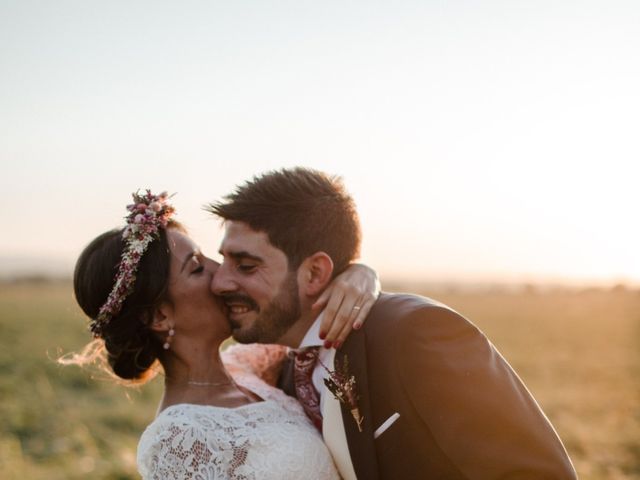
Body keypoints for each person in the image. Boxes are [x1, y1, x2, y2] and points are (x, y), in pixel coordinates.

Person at [209, 167, 578, 480]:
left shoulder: (416, 333)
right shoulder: (285, 370)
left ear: (315, 272)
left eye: (245, 266)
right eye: (222, 261)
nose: (220, 282)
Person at [68, 190, 380, 479]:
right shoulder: (176, 441)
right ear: (160, 316)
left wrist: (358, 274)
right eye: (196, 267)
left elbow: (296, 327)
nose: (221, 275)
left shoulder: (243, 368)